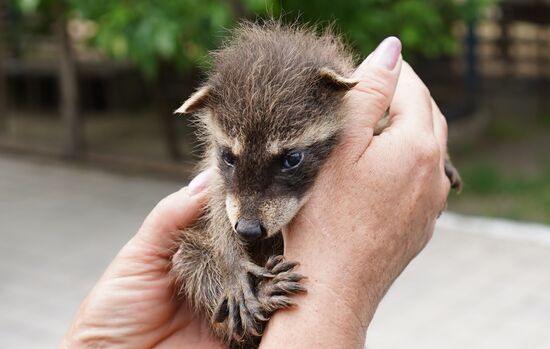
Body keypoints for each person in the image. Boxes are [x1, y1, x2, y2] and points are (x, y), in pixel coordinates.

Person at [60, 37, 451, 349]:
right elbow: (219, 223)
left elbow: (383, 137)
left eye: (289, 161)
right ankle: (248, 301)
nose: (248, 217)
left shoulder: (340, 111)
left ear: (336, 94)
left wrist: (431, 157)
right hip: (233, 297)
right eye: (229, 157)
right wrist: (236, 277)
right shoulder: (230, 185)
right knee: (192, 255)